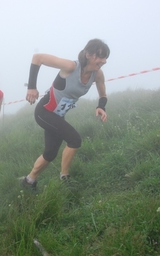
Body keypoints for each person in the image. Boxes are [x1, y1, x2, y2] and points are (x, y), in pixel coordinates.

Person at [21, 38, 110, 189]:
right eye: (100, 56)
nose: (104, 61)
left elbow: (103, 94)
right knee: (74, 139)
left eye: (105, 58)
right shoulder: (71, 66)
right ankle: (65, 178)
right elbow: (38, 58)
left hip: (58, 115)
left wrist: (101, 107)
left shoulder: (98, 74)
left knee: (50, 153)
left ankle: (29, 181)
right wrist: (31, 87)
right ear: (88, 54)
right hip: (44, 111)